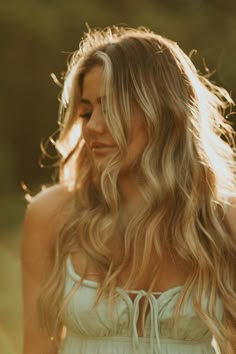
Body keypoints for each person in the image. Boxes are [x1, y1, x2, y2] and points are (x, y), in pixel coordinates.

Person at [21, 26, 236, 354]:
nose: (93, 126)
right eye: (87, 111)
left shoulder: (224, 222)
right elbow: (36, 347)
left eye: (112, 107)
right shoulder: (51, 215)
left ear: (162, 112)